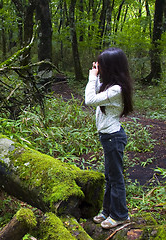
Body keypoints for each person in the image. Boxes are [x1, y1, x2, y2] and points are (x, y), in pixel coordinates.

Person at [85, 47, 133, 229]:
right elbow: (95, 93)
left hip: (113, 137)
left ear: (112, 67)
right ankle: (107, 211)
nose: (100, 68)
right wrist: (96, 76)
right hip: (108, 137)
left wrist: (92, 77)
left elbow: (90, 100)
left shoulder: (117, 90)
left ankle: (120, 215)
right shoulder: (110, 86)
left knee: (116, 177)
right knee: (110, 176)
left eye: (102, 66)